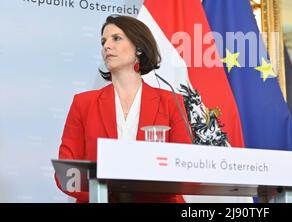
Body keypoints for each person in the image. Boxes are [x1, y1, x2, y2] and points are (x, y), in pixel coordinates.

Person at [55, 15, 192, 203]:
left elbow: (184, 166)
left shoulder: (171, 102)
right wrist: (104, 193)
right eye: (104, 41)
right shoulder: (83, 103)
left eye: (116, 38)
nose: (106, 46)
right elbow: (66, 171)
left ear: (139, 48)